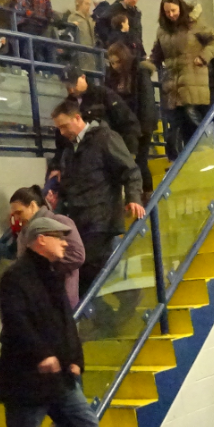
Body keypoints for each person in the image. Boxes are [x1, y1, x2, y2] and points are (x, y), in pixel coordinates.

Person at [0, 217, 99, 427]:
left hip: (60, 379)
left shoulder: (53, 275)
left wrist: (77, 360)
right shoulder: (15, 278)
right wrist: (42, 355)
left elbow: (67, 322)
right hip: (26, 382)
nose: (65, 242)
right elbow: (16, 321)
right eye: (59, 237)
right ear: (41, 239)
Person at [51, 100, 144, 336]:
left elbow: (130, 170)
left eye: (63, 126)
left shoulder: (105, 138)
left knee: (82, 273)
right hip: (82, 221)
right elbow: (73, 183)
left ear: (77, 118)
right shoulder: (71, 149)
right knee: (88, 273)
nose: (61, 133)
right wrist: (58, 195)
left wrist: (133, 198)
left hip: (102, 220)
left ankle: (119, 309)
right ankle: (115, 313)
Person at [149, 0, 214, 161]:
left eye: (173, 10)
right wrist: (148, 65)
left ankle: (209, 148)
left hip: (193, 79)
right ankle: (180, 160)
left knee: (191, 116)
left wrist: (203, 57)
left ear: (180, 8)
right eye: (167, 12)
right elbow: (157, 54)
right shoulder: (162, 31)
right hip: (172, 85)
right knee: (175, 124)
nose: (171, 14)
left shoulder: (194, 24)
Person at [48, 64, 141, 175]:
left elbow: (127, 122)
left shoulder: (104, 95)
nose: (71, 89)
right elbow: (61, 142)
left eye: (74, 84)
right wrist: (56, 166)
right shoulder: (66, 106)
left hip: (107, 157)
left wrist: (129, 153)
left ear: (83, 77)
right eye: (68, 86)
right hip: (81, 163)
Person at [10, 185, 85, 308]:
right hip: (37, 303)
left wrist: (42, 267)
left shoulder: (60, 222)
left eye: (19, 212)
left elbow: (77, 256)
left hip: (60, 301)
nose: (17, 218)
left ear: (33, 206)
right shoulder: (23, 234)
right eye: (14, 215)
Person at [106, 42, 157, 200]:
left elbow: (147, 102)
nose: (115, 66)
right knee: (128, 163)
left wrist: (145, 128)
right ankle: (136, 197)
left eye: (117, 62)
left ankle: (148, 196)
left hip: (141, 125)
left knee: (140, 161)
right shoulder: (111, 77)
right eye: (112, 62)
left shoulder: (140, 72)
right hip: (124, 126)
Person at [68, 0, 97, 71]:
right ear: (80, 4)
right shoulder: (73, 17)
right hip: (80, 53)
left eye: (89, 4)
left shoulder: (91, 20)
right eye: (86, 4)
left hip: (91, 53)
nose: (88, 7)